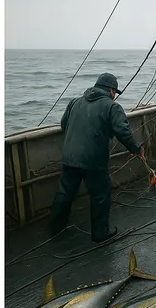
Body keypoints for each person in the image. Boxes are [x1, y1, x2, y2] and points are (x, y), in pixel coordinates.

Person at [49, 73, 144, 243]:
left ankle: (56, 227)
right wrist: (136, 149)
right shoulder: (112, 107)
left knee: (64, 192)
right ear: (111, 90)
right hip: (93, 160)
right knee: (100, 195)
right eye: (115, 92)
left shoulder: (74, 102)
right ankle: (101, 232)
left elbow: (64, 125)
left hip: (69, 157)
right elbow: (123, 132)